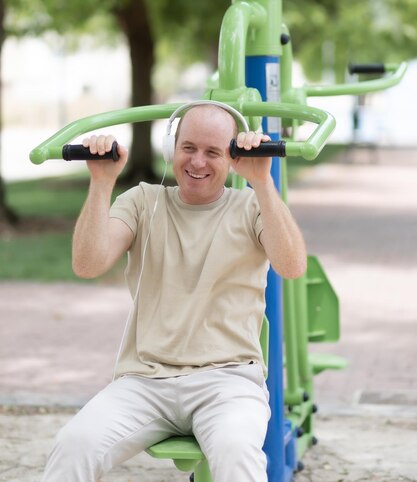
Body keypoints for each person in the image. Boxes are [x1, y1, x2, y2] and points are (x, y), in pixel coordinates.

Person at [42, 102, 307, 482]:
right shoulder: (142, 201)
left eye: (213, 152)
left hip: (228, 381)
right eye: (189, 148)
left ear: (231, 156)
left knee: (237, 454)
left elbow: (292, 265)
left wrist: (262, 182)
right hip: (145, 381)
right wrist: (101, 182)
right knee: (74, 444)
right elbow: (87, 264)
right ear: (172, 147)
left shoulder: (251, 207)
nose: (197, 161)